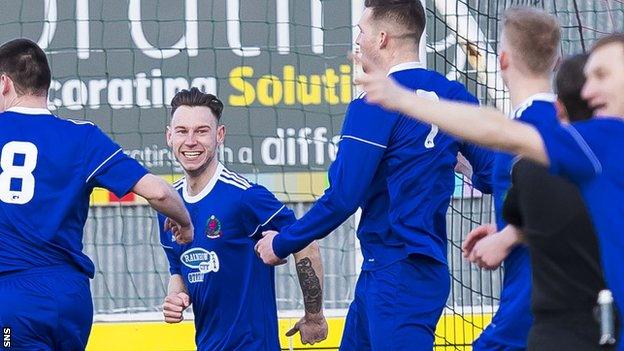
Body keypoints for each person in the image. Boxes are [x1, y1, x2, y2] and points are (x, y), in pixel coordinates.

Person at [354, 32, 624, 350]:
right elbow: (502, 134)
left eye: (602, 75)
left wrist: (403, 99)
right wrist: (514, 232)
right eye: (588, 77)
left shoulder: (603, 143)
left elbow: (502, 132)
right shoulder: (603, 142)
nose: (589, 90)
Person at [256, 1, 494, 349]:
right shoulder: (454, 95)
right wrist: (454, 158)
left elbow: (342, 198)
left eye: (361, 32)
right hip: (397, 273)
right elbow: (490, 175)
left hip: (397, 275)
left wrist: (281, 243)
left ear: (382, 39)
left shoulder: (374, 104)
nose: (358, 40)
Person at [0, 38, 193, 350]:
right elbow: (158, 193)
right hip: (70, 297)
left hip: (13, 298)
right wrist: (185, 224)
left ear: (4, 83)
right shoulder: (84, 137)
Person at [463, 54, 615, 350]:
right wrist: (510, 231)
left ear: (559, 109)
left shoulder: (536, 168)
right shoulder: (600, 168)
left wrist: (510, 233)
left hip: (562, 326)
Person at [158, 88, 327, 351]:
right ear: (170, 137)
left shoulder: (245, 197)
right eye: (182, 131)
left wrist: (314, 316)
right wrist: (175, 296)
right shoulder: (169, 204)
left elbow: (306, 243)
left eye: (201, 131)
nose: (190, 141)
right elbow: (178, 269)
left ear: (220, 135)